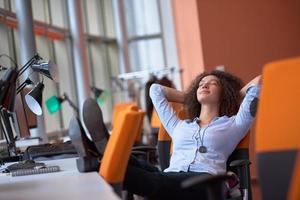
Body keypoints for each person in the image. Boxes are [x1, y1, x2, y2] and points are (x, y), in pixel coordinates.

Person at [123, 70, 261, 199]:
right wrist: (190, 97)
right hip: (172, 175)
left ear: (223, 93)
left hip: (205, 180)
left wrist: (231, 97)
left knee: (149, 181)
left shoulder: (234, 125)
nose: (204, 85)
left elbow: (259, 81)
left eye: (213, 83)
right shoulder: (178, 125)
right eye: (201, 84)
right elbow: (155, 90)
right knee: (124, 161)